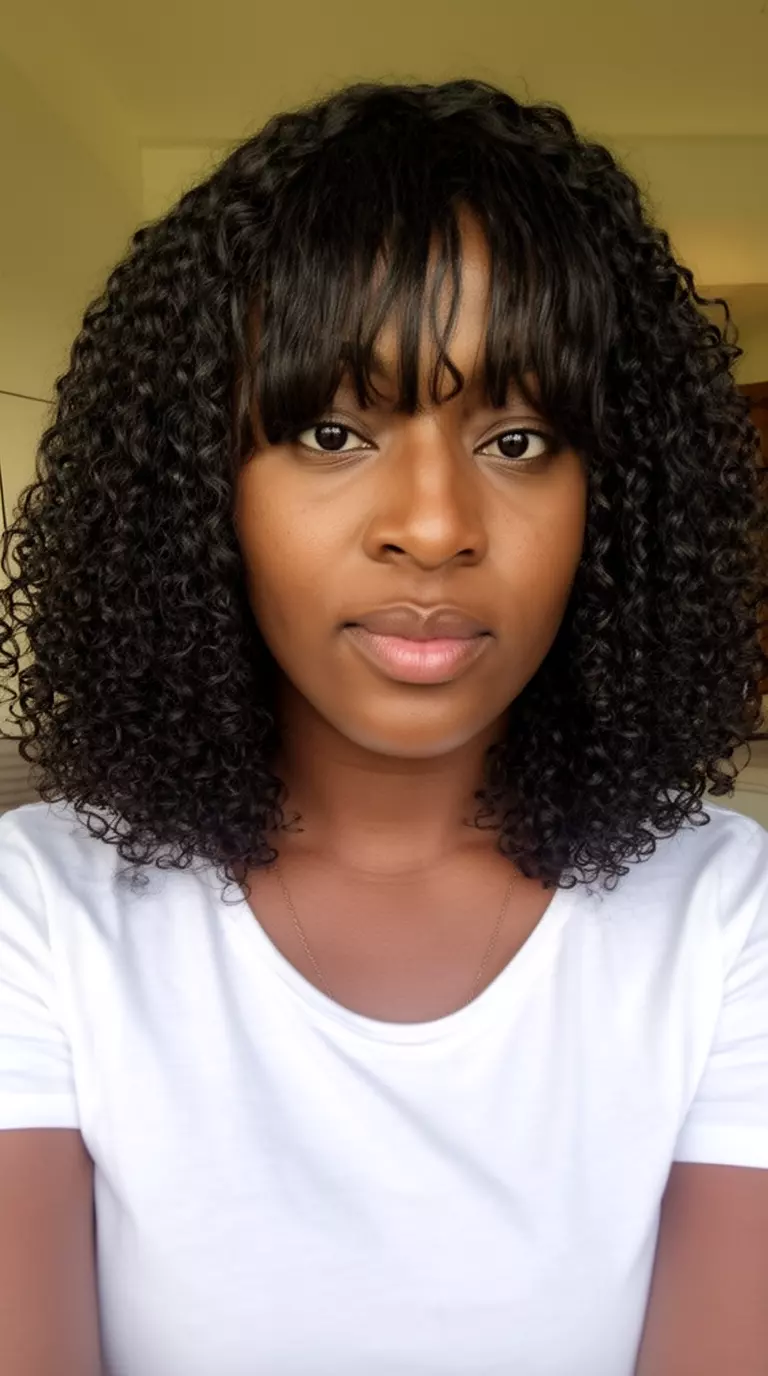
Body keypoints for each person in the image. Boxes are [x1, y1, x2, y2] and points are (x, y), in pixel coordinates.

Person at [0, 77, 767, 1376]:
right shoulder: (43, 912)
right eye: (333, 427)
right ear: (201, 489)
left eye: (520, 439)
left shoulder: (724, 913)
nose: (435, 522)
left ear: (616, 504)